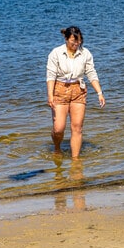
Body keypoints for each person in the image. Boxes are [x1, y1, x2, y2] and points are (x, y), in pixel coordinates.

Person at [46, 26, 105, 159]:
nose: (76, 44)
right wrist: (50, 95)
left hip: (79, 90)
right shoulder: (56, 53)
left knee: (77, 127)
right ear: (66, 39)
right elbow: (50, 75)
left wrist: (99, 93)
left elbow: (91, 73)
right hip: (60, 89)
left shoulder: (85, 53)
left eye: (78, 41)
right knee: (58, 128)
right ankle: (57, 148)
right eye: (73, 42)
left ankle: (75, 160)